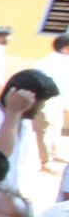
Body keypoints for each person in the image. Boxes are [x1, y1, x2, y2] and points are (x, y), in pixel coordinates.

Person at [34, 33, 69, 171]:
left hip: (57, 100)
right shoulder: (49, 62)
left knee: (56, 127)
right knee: (45, 130)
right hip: (46, 100)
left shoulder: (56, 61)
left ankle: (54, 154)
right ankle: (45, 161)